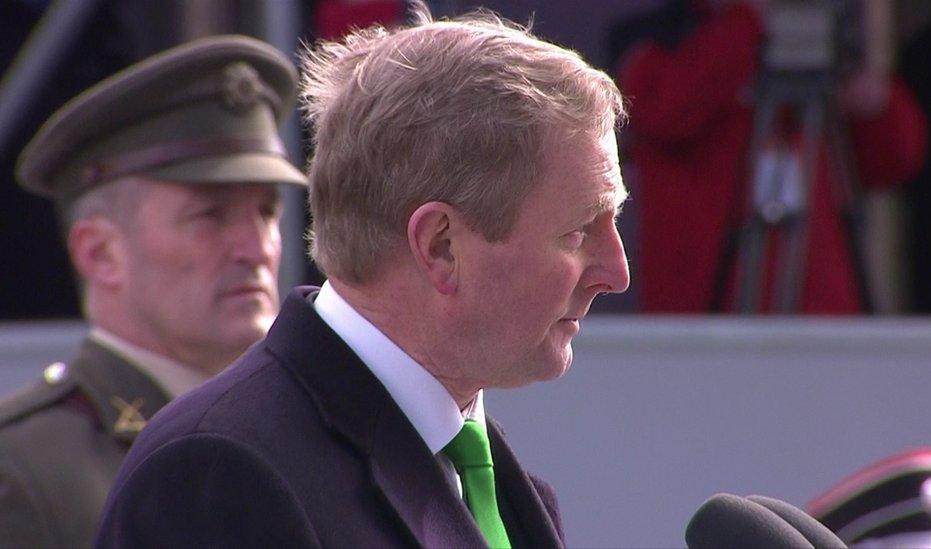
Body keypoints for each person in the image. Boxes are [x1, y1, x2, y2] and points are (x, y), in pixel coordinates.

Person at [95, 4, 629, 547]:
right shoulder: (220, 475)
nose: (617, 272)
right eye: (579, 232)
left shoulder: (494, 482)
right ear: (440, 247)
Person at [0, 35, 307, 548]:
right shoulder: (26, 474)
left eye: (267, 211)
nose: (257, 248)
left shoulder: (304, 438)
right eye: (210, 214)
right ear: (100, 253)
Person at [618, 0, 927, 313]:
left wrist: (878, 107)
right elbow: (667, 112)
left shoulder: (822, 49)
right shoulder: (663, 39)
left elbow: (895, 161)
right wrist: (748, 24)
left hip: (819, 306)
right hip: (710, 311)